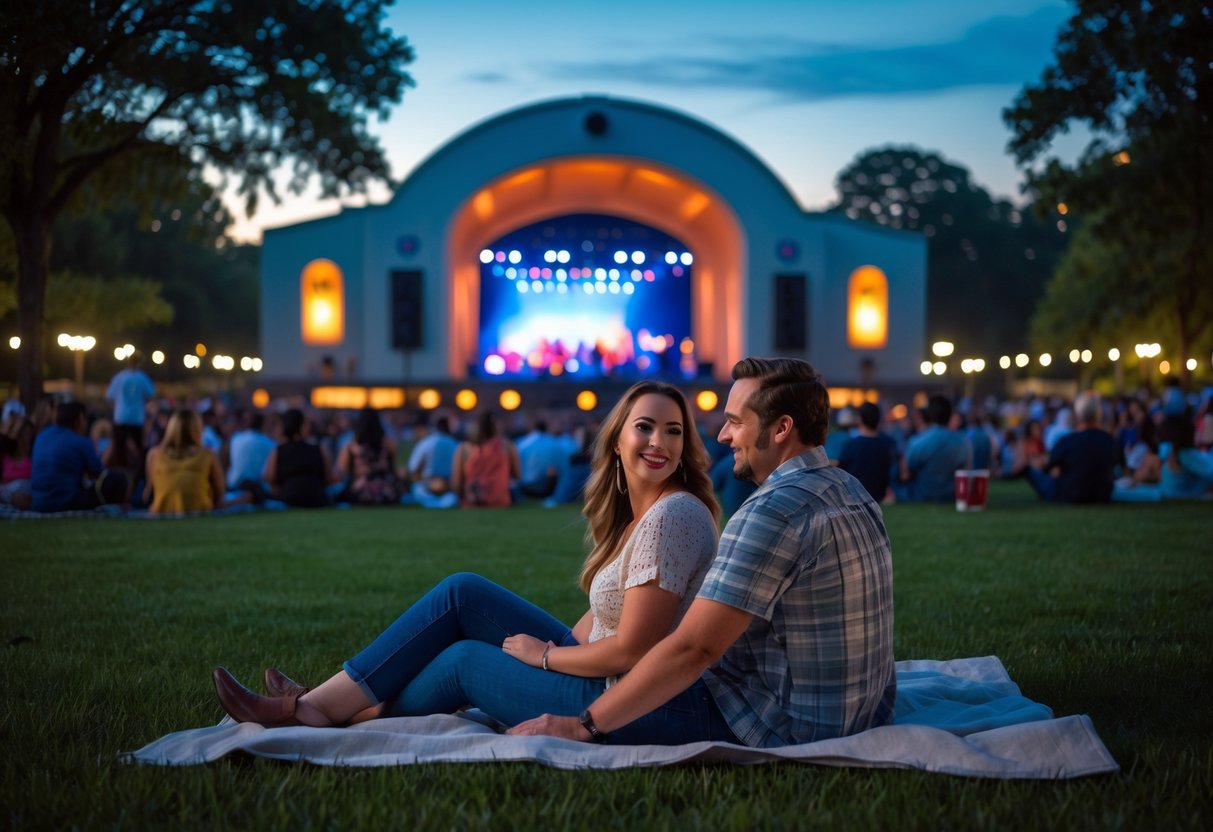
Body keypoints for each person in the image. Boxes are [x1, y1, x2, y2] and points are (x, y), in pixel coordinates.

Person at [211, 381, 723, 742]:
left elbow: (631, 651)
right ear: (616, 440)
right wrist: (552, 653)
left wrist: (540, 658)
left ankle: (320, 710)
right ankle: (328, 704)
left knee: (463, 662)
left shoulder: (673, 514)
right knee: (462, 591)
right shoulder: (641, 518)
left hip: (640, 701)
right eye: (646, 427)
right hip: (607, 678)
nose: (660, 442)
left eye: (674, 431)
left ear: (685, 446)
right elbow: (597, 627)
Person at [508, 356, 895, 747]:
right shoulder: (849, 489)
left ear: (781, 429)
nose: (724, 435)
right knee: (464, 595)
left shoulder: (773, 512)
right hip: (854, 712)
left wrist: (584, 725)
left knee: (463, 659)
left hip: (771, 721)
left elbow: (694, 649)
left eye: (736, 421)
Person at [30, 401, 125, 512]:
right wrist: (108, 453)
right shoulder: (80, 441)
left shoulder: (42, 435)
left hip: (38, 502)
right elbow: (99, 473)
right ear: (79, 419)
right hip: (67, 502)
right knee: (117, 478)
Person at [1025, 392, 1118, 503]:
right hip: (1102, 495)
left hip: (1069, 494)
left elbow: (1048, 467)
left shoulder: (1068, 441)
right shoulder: (1109, 441)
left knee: (1029, 469)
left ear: (1077, 416)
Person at [144, 409, 228, 514]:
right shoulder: (207, 455)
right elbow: (220, 493)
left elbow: (148, 493)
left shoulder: (154, 455)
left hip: (161, 510)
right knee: (247, 496)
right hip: (200, 509)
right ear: (198, 429)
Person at [893, 394, 970, 502]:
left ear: (930, 414)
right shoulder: (963, 441)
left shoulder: (920, 440)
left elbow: (907, 470)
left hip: (923, 494)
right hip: (951, 494)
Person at [265, 408, 334, 508]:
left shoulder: (278, 451)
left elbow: (270, 478)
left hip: (289, 498)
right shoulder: (319, 449)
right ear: (301, 426)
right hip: (317, 497)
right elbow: (328, 478)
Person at [334, 407, 402, 505]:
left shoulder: (352, 446)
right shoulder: (389, 444)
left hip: (359, 492)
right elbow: (395, 468)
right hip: (387, 492)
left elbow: (341, 470)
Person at [451, 410, 520, 508]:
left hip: (471, 503)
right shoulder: (507, 446)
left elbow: (456, 485)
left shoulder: (463, 449)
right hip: (500, 502)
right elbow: (517, 476)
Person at [837, 401, 898, 502]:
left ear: (860, 419)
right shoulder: (889, 444)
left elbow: (841, 471)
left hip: (855, 497)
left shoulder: (851, 445)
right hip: (879, 496)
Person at [105, 353, 154, 459]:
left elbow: (109, 396)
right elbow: (150, 394)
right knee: (139, 445)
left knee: (119, 446)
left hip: (120, 416)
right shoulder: (142, 378)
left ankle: (120, 467)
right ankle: (142, 468)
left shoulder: (119, 377)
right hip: (136, 417)